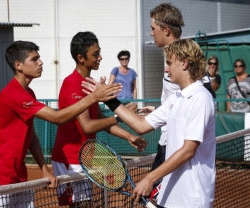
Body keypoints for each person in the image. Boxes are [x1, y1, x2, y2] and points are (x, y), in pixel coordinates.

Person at [0, 40, 123, 208]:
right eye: (34, 59)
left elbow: (30, 135)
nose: (40, 63)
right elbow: (58, 118)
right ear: (18, 65)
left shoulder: (28, 92)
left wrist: (44, 168)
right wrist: (94, 97)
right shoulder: (13, 94)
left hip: (18, 175)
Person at [84, 39, 216, 208]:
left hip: (193, 199)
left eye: (169, 63)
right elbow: (141, 125)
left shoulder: (201, 98)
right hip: (169, 196)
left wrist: (150, 178)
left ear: (184, 63)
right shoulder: (176, 98)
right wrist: (108, 100)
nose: (166, 69)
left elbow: (188, 150)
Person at [51, 32, 147, 207]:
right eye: (95, 54)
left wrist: (129, 136)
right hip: (70, 162)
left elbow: (100, 119)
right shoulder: (72, 83)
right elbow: (88, 126)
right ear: (81, 58)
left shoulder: (90, 83)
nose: (100, 57)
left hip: (85, 158)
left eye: (99, 52)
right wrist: (120, 117)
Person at [138, 3, 185, 194]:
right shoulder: (178, 54)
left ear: (165, 30)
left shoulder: (178, 58)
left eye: (152, 28)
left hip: (173, 146)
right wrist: (160, 108)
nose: (151, 33)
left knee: (154, 198)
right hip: (171, 142)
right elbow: (180, 98)